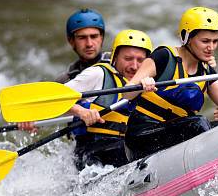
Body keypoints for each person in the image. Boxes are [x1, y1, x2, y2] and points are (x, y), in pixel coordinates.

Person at [121, 6, 218, 161]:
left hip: (174, 135)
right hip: (142, 136)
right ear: (186, 37)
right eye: (205, 41)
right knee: (199, 124)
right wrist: (142, 84)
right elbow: (127, 92)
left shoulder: (205, 72)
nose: (211, 47)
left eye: (215, 41)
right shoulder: (164, 57)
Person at [65, 29, 153, 169]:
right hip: (92, 154)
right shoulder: (98, 74)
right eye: (128, 59)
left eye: (140, 60)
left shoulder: (149, 83)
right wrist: (81, 111)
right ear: (115, 57)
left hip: (125, 148)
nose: (134, 66)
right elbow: (55, 99)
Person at [55, 8, 111, 84]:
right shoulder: (65, 81)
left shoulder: (119, 64)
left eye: (94, 36)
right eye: (82, 38)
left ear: (101, 38)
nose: (89, 44)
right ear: (71, 41)